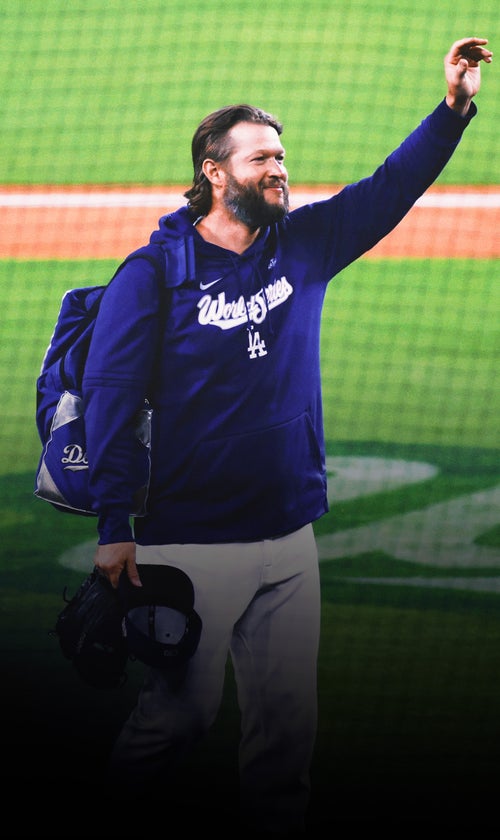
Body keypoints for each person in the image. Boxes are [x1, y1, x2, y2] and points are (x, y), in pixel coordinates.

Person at [83, 37, 491, 836]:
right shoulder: (154, 273)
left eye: (282, 155)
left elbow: (390, 188)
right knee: (178, 722)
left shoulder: (303, 245)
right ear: (214, 171)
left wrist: (453, 109)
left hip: (292, 536)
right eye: (262, 157)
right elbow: (109, 399)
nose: (280, 168)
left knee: (286, 741)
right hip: (190, 545)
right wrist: (110, 529)